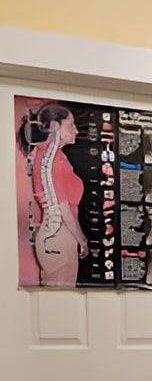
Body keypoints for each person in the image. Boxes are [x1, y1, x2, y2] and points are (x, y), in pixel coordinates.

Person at [22, 103, 88, 286]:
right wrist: (82, 241)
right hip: (59, 237)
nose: (75, 131)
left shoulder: (48, 156)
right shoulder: (54, 162)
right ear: (54, 125)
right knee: (59, 305)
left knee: (55, 303)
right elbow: (63, 210)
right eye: (71, 124)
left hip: (56, 237)